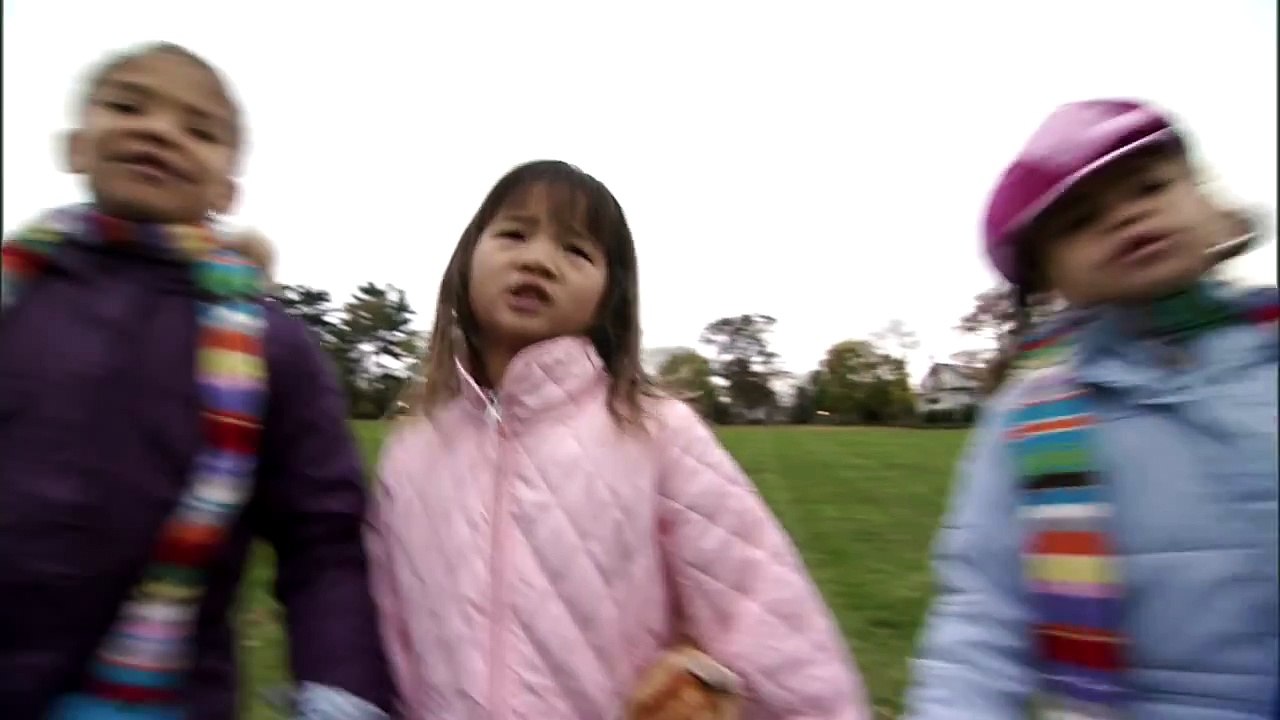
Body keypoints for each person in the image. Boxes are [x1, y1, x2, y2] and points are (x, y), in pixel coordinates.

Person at [366, 159, 871, 719]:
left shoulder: (655, 433)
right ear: (464, 263)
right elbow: (392, 641)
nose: (537, 259)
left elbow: (770, 619)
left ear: (612, 296)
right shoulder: (410, 456)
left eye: (576, 250)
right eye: (514, 233)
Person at [0, 43, 394, 720]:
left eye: (198, 129)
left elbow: (321, 536)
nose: (158, 130)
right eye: (127, 105)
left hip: (167, 699)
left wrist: (341, 688)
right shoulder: (18, 300)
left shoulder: (272, 344)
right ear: (75, 147)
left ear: (226, 190)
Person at [902, 99, 1278, 719]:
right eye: (1081, 220)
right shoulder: (1034, 418)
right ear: (1047, 275)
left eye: (1150, 187)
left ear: (1207, 199)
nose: (1127, 216)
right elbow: (982, 619)